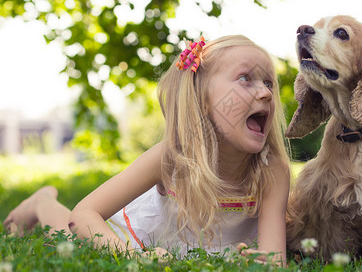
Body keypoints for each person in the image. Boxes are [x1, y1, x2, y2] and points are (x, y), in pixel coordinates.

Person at [3, 35, 291, 265]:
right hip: (140, 240)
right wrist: (136, 258)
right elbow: (84, 214)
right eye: (246, 79)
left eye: (268, 82)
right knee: (67, 236)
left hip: (197, 255)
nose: (266, 92)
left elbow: (274, 260)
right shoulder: (173, 155)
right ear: (203, 101)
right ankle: (42, 202)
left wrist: (262, 262)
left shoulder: (272, 169)